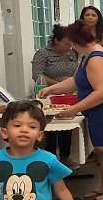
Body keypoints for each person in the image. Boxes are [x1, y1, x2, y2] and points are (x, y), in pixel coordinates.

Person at [39, 21, 103, 200]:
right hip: (102, 109)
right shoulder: (88, 55)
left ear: (75, 42)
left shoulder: (96, 58)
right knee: (102, 151)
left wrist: (74, 109)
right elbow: (76, 82)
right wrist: (52, 89)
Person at [31, 25, 78, 165]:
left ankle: (65, 157)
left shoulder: (72, 54)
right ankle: (49, 158)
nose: (70, 47)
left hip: (69, 95)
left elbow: (77, 70)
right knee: (50, 126)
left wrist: (71, 83)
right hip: (48, 94)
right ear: (56, 40)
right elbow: (37, 75)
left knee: (66, 123)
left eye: (71, 44)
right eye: (66, 43)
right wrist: (58, 85)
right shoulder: (42, 54)